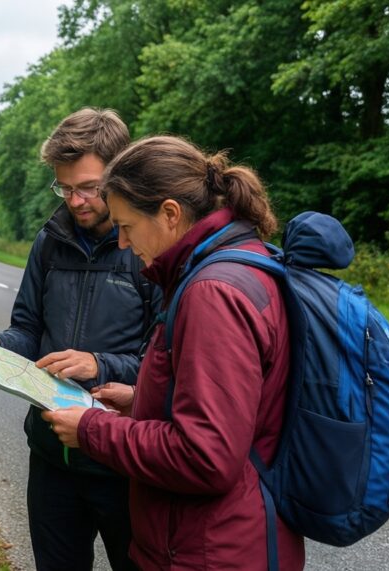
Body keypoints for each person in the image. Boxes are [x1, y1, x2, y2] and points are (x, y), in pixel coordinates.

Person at [43, 135, 304, 569]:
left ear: (169, 214)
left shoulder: (211, 293)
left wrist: (92, 429)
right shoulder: (242, 261)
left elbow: (206, 456)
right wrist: (142, 399)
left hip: (208, 549)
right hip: (229, 537)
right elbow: (234, 407)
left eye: (126, 227)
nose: (123, 245)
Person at [0, 108, 156, 571]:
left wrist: (100, 364)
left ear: (119, 173)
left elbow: (165, 361)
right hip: (52, 456)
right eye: (64, 187)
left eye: (88, 187)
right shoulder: (48, 241)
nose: (75, 200)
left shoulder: (149, 247)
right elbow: (28, 330)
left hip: (123, 462)